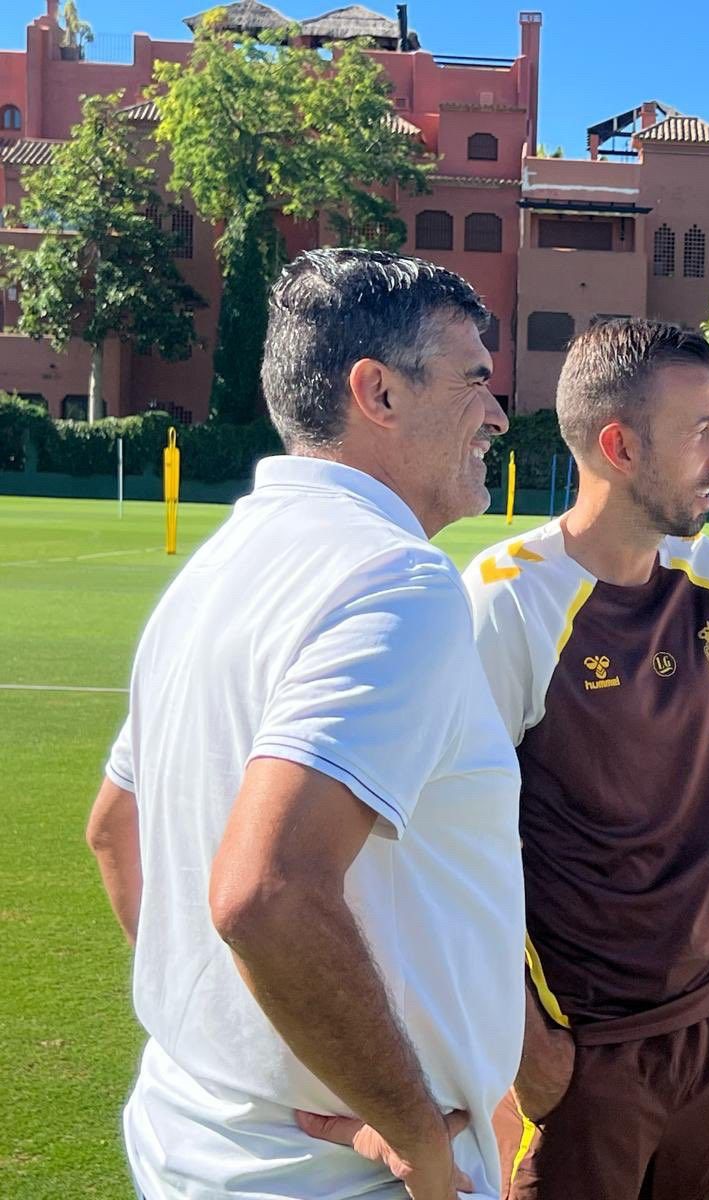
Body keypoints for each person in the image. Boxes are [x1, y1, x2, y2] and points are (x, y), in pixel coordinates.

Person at [84, 248, 525, 1200]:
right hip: (333, 1179)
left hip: (196, 1136)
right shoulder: (396, 579)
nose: (496, 413)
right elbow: (265, 891)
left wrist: (243, 1045)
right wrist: (416, 1135)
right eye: (474, 380)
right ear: (379, 393)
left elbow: (115, 829)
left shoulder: (215, 568)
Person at [465, 318, 709, 1200]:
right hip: (585, 1053)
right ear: (620, 447)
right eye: (701, 430)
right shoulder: (505, 602)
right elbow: (450, 849)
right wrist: (533, 1055)